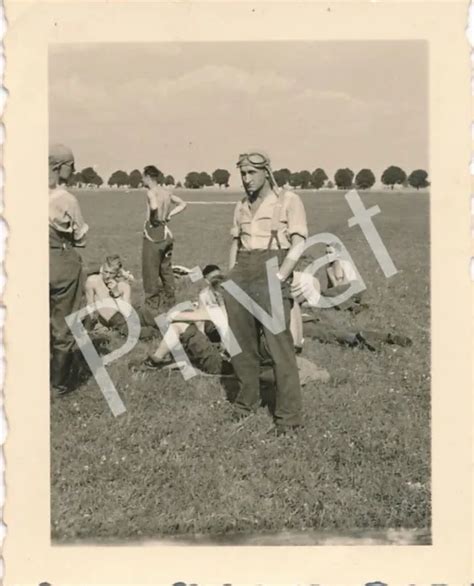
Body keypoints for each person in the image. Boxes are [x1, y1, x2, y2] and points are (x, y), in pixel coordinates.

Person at [223, 151, 308, 435]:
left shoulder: (289, 201)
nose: (247, 179)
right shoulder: (241, 206)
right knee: (241, 344)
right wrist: (230, 277)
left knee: (279, 348)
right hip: (242, 272)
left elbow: (298, 243)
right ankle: (247, 401)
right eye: (243, 174)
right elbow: (236, 243)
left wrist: (282, 275)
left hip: (272, 269)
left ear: (266, 172)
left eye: (252, 173)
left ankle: (288, 417)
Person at [49, 143, 88, 395]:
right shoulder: (67, 199)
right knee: (63, 322)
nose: (73, 171)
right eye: (71, 166)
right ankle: (59, 384)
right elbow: (81, 238)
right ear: (59, 167)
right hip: (61, 261)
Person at [141, 165, 187, 318]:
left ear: (148, 177)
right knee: (166, 270)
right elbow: (183, 204)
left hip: (153, 234)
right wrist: (170, 214)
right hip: (167, 233)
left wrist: (154, 216)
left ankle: (151, 311)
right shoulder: (167, 192)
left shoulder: (151, 192)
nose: (142, 179)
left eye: (143, 176)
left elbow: (153, 205)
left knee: (150, 272)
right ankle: (171, 304)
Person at [84, 254, 134, 331]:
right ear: (101, 270)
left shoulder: (123, 286)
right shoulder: (95, 281)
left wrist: (116, 295)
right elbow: (89, 304)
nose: (107, 276)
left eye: (111, 273)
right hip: (102, 319)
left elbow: (127, 314)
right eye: (105, 272)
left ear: (117, 273)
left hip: (120, 320)